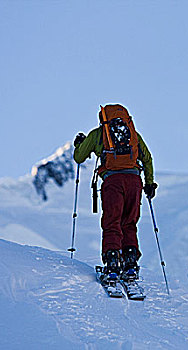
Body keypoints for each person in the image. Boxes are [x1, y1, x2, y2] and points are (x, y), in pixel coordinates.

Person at [73, 104, 157, 280]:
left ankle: (112, 264)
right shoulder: (133, 135)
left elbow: (79, 157)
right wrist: (149, 183)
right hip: (134, 182)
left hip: (113, 182)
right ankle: (131, 264)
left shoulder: (98, 134)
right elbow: (147, 158)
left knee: (112, 222)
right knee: (129, 222)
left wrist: (79, 145)